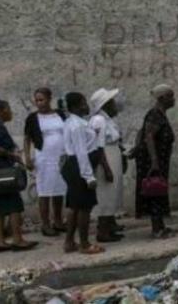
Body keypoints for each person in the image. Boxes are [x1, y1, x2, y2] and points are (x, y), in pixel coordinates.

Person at [0, 100, 37, 253]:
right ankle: (17, 240)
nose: (10, 112)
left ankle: (0, 241)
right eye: (8, 109)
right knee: (14, 203)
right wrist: (12, 154)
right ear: (0, 111)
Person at [61, 92, 105, 255]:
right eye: (83, 103)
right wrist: (88, 176)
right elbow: (81, 152)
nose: (86, 106)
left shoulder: (74, 122)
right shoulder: (77, 125)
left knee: (74, 206)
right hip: (79, 168)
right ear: (75, 107)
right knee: (84, 207)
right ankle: (84, 244)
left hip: (73, 166)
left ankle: (69, 242)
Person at [23, 87, 67, 237]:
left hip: (61, 157)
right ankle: (46, 224)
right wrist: (27, 157)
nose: (39, 103)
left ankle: (59, 221)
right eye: (37, 100)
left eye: (41, 99)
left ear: (49, 99)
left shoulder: (60, 114)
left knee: (59, 189)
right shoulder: (33, 118)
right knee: (45, 191)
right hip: (44, 158)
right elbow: (27, 138)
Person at [135, 84, 177, 239]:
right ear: (162, 98)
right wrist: (154, 160)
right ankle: (156, 228)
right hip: (153, 160)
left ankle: (161, 226)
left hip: (160, 159)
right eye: (170, 96)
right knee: (154, 191)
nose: (173, 99)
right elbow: (148, 136)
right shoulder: (154, 115)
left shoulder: (159, 114)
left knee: (159, 190)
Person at [89, 88, 124, 243]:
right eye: (111, 103)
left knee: (113, 192)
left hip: (113, 154)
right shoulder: (99, 120)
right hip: (106, 158)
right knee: (105, 194)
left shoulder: (108, 119)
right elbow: (99, 146)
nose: (115, 105)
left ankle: (109, 226)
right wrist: (106, 168)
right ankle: (102, 231)